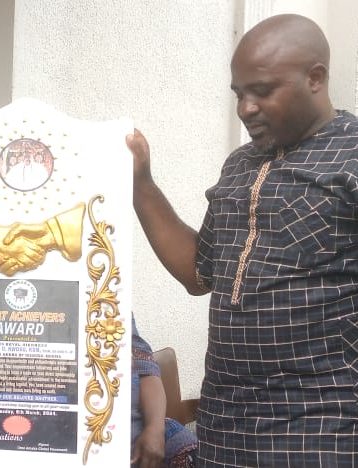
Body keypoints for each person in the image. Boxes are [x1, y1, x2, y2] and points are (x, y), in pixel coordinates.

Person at [128, 14, 358, 466]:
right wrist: (141, 185)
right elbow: (199, 272)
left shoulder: (351, 158)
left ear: (315, 78)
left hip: (321, 429)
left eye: (262, 91)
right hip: (223, 429)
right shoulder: (239, 165)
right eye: (239, 94)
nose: (245, 108)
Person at [131, 317, 197, 468]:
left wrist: (155, 429)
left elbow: (146, 371)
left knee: (186, 446)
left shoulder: (110, 305)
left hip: (132, 435)